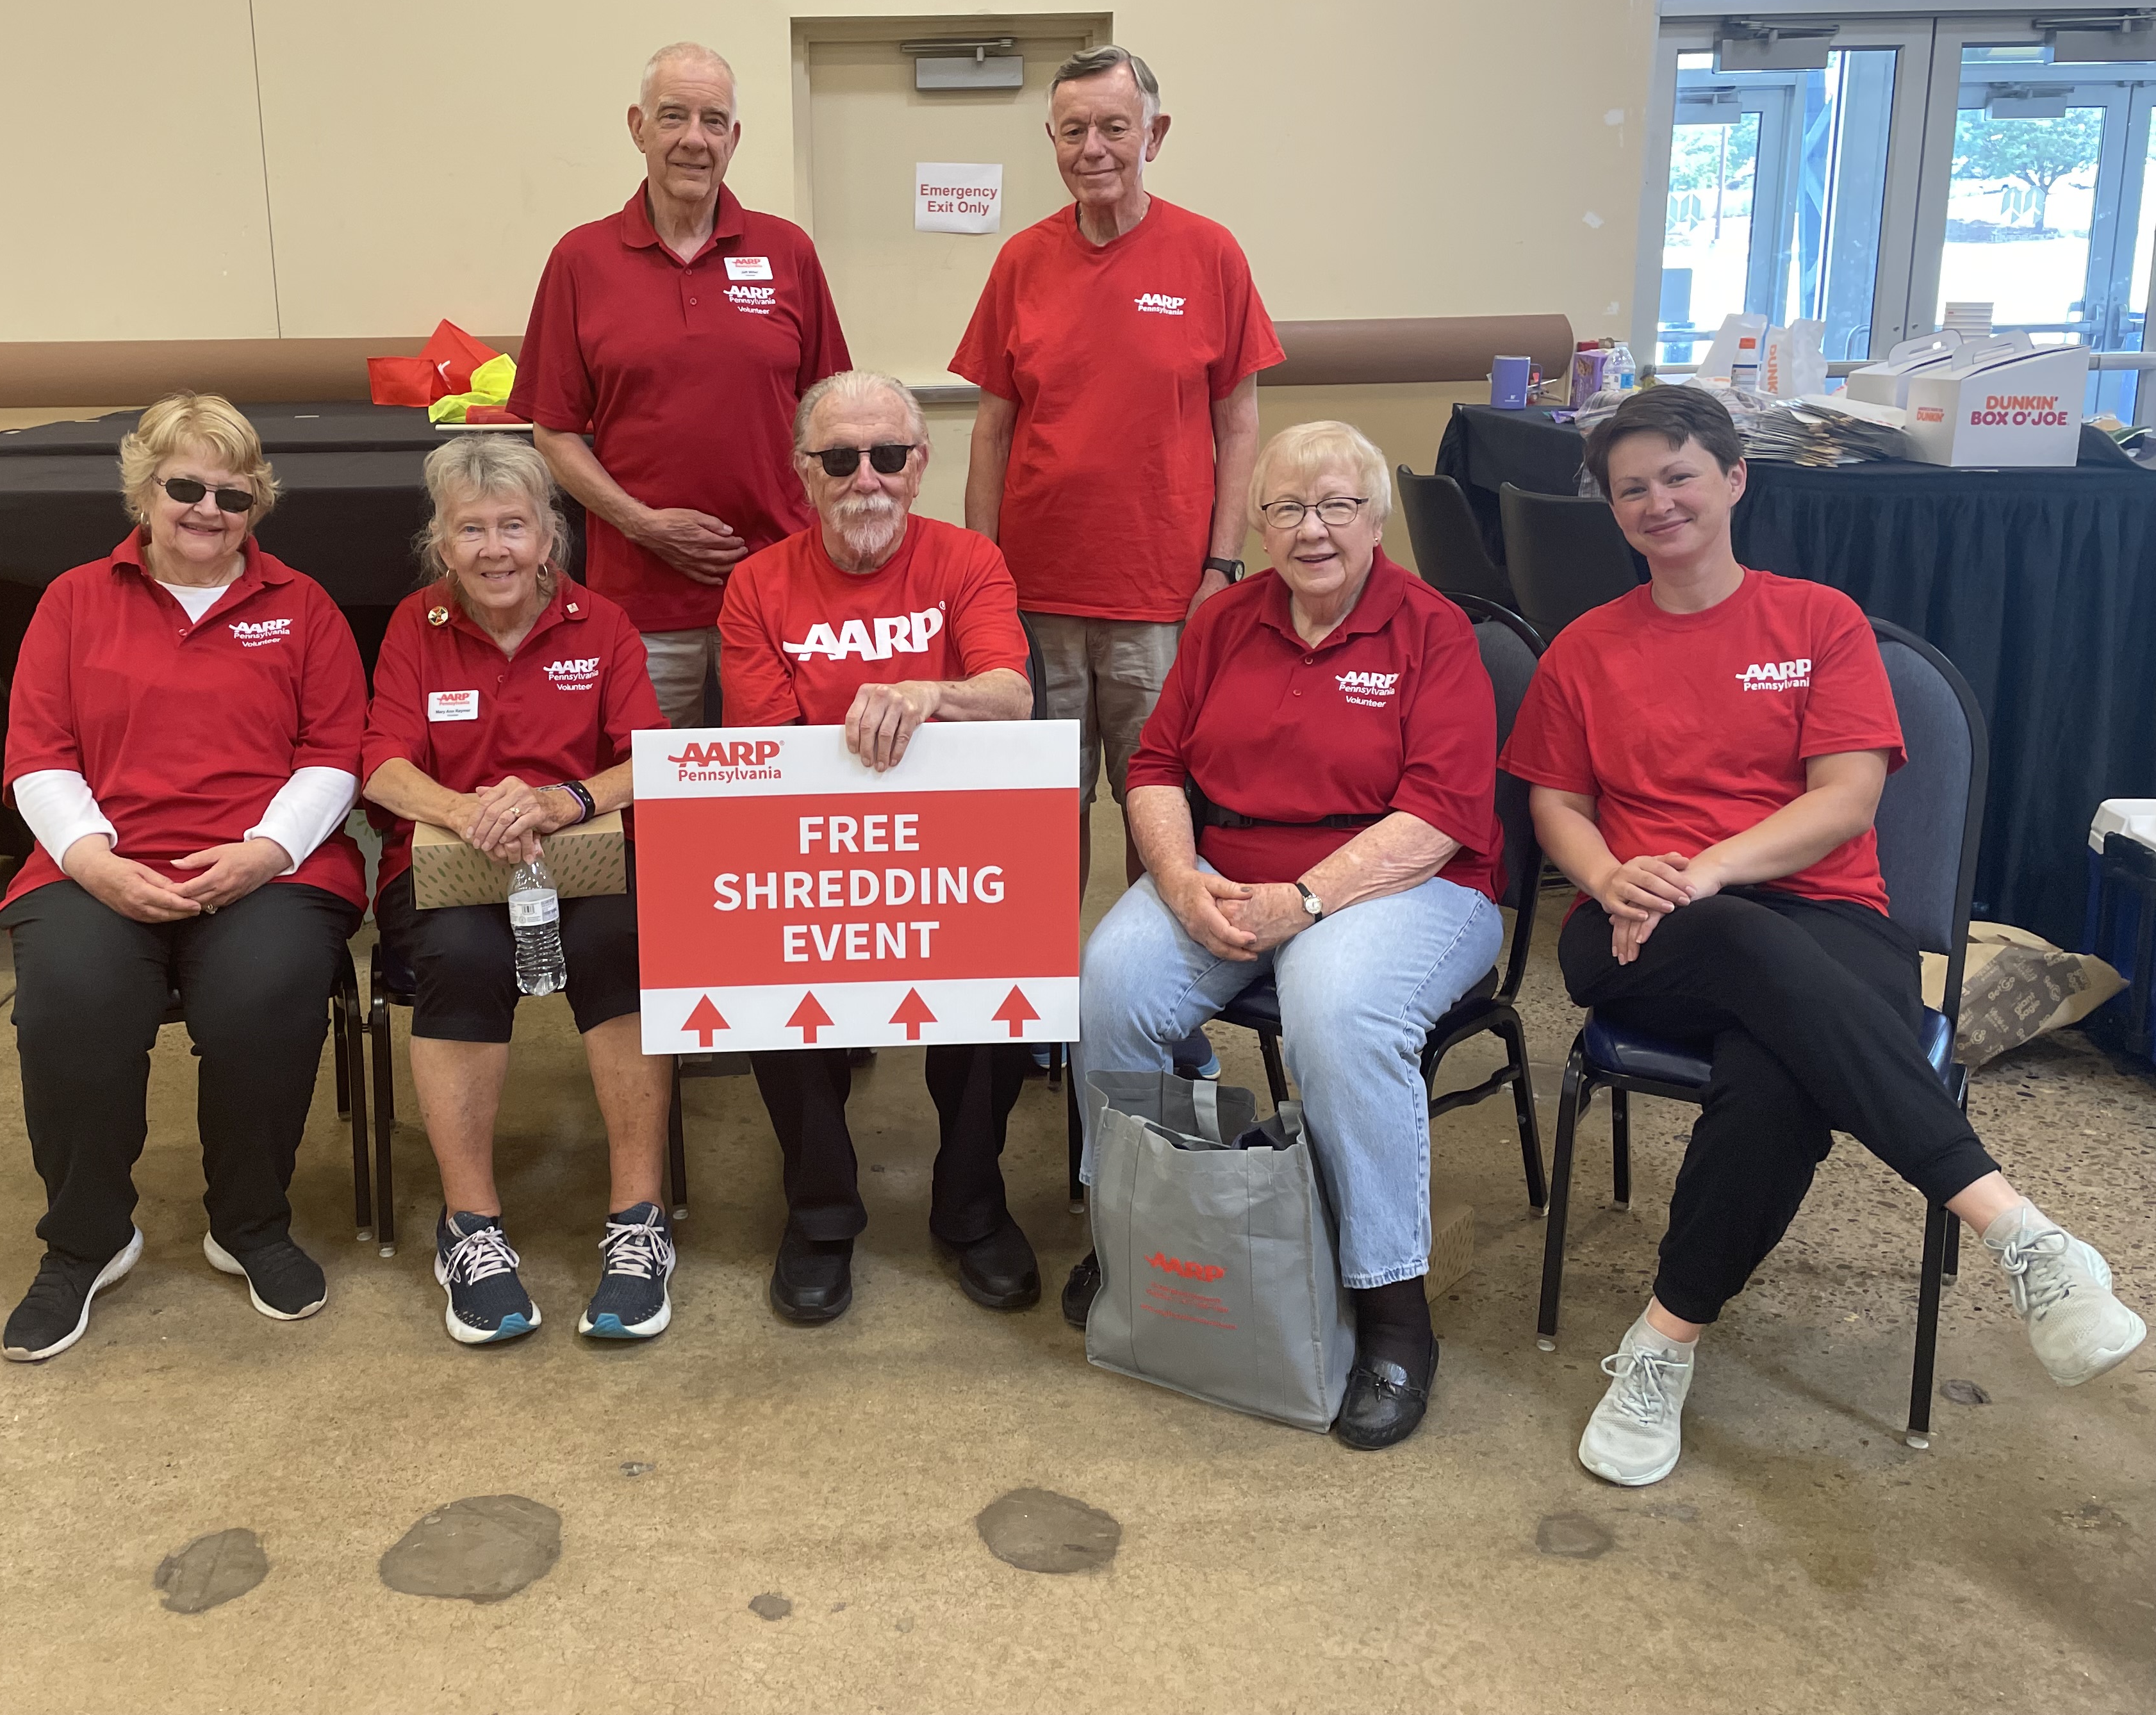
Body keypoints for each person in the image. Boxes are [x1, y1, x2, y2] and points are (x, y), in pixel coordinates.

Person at [1501, 381, 2146, 1488]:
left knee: (1777, 1072)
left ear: (1734, 477)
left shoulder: (1816, 622)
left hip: (1823, 914)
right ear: (1612, 510)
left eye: (1679, 476)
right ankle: (2020, 1229)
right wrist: (1614, 877)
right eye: (1632, 489)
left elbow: (1845, 799)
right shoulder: (1584, 648)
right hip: (1636, 927)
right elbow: (1553, 802)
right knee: (1748, 962)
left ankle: (1661, 1339)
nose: (1658, 502)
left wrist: (1705, 871)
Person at [1073, 419, 1504, 1449]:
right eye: (1286, 509)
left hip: (1405, 884)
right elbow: (1157, 769)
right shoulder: (1224, 621)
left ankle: (1395, 1311)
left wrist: (1305, 901)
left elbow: (1442, 813)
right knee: (1112, 982)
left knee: (1336, 1013)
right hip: (1226, 873)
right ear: (1259, 524)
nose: (1312, 531)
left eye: (1336, 506)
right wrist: (1178, 881)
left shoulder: (1433, 631)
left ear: (1374, 519)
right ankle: (1138, 1230)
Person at [0, 393, 366, 1361]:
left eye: (231, 495)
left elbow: (334, 754)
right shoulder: (74, 601)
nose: (207, 510)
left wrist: (264, 853)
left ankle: (249, 1225)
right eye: (185, 487)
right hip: (99, 866)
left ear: (258, 504)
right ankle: (86, 1242)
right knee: (71, 1002)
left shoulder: (304, 608)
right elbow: (38, 755)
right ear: (144, 490)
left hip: (266, 868)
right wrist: (95, 863)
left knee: (265, 995)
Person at [718, 369, 1035, 1322]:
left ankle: (971, 1202)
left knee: (1008, 961)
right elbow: (767, 753)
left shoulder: (970, 562)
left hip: (954, 844)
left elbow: (1011, 693)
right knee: (762, 967)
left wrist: (924, 693)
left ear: (921, 466)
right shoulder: (756, 585)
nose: (868, 479)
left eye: (890, 457)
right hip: (809, 846)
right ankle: (820, 1210)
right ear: (804, 475)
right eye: (842, 458)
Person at [951, 44, 1285, 908]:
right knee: (1036, 810)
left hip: (1161, 595)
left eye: (1113, 128)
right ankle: (1039, 1014)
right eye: (1072, 132)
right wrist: (978, 576)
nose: (1092, 148)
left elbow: (1238, 422)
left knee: (1158, 806)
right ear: (1053, 142)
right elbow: (992, 431)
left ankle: (1160, 1008)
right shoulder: (1022, 261)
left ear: (1154, 135)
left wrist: (1222, 567)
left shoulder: (1211, 255)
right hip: (1034, 595)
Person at [360, 437, 675, 1345]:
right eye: (471, 530)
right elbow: (377, 765)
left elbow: (647, 761)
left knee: (621, 944)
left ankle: (638, 1221)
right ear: (441, 544)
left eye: (513, 526)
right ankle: (471, 1229)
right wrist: (469, 813)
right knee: (460, 957)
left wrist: (560, 799)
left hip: (581, 864)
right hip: (451, 869)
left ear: (549, 536)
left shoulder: (600, 625)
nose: (494, 549)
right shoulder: (413, 629)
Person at [513, 41, 853, 729]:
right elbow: (551, 429)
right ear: (638, 127)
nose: (694, 140)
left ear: (734, 138)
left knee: (774, 790)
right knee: (655, 799)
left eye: (713, 121)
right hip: (641, 605)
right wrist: (643, 524)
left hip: (778, 592)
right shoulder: (581, 260)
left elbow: (832, 414)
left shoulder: (788, 252)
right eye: (674, 118)